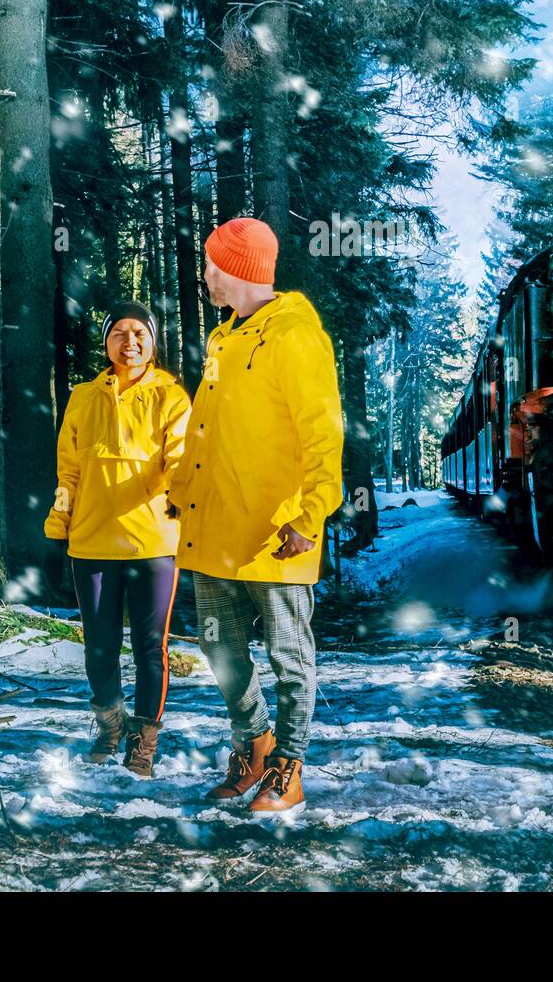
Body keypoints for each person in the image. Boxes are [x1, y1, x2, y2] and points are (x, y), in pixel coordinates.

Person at [168, 217, 343, 814]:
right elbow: (204, 431)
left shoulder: (295, 336)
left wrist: (313, 512)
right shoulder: (223, 340)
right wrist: (178, 491)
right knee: (220, 649)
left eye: (212, 265)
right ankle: (255, 748)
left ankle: (290, 766)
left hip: (277, 533)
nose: (206, 276)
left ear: (236, 269)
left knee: (289, 658)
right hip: (215, 530)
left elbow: (323, 434)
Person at [43, 301, 191, 779]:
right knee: (99, 646)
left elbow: (182, 458)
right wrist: (60, 514)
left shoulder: (171, 396)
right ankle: (111, 726)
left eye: (139, 334)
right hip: (92, 542)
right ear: (107, 343)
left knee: (151, 647)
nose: (130, 342)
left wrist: (174, 491)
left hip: (153, 542)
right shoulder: (84, 397)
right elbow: (69, 466)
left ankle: (143, 742)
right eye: (119, 333)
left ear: (152, 341)